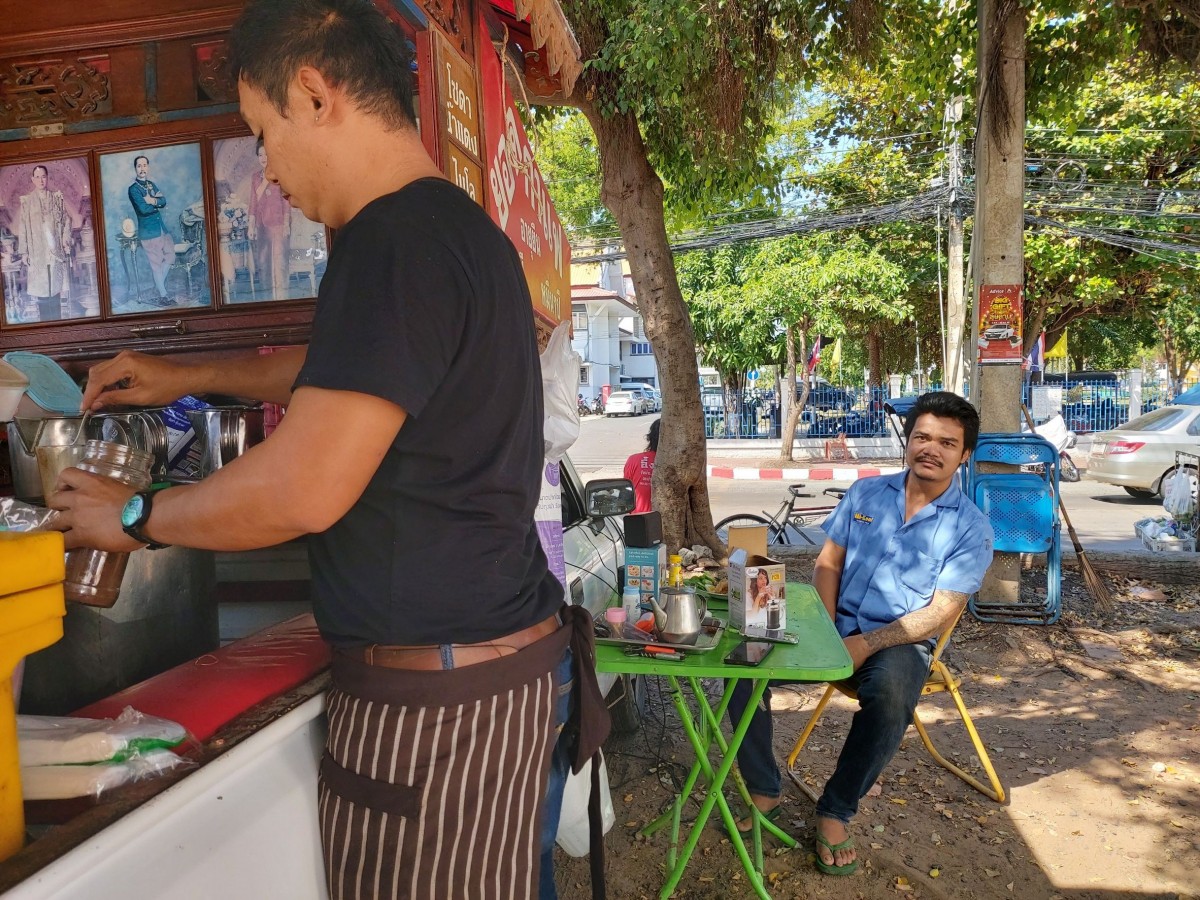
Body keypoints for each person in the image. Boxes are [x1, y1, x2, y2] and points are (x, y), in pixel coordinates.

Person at [50, 3, 607, 898]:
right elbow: (350, 367)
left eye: (262, 135)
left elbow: (304, 488)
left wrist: (133, 516)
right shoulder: (463, 238)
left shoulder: (389, 241)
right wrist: (187, 375)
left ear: (314, 93)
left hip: (443, 715)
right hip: (502, 673)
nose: (265, 171)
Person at [726, 391, 993, 876]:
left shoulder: (971, 529)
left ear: (964, 454)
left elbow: (941, 611)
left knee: (893, 693)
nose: (931, 449)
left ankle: (836, 809)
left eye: (947, 443)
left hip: (900, 640)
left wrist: (864, 645)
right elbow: (828, 563)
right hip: (835, 624)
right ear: (908, 442)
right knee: (741, 664)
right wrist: (829, 632)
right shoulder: (866, 494)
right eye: (922, 437)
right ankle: (764, 791)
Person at [17, 164, 73, 322]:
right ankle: (46, 325)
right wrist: (24, 252)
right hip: (37, 251)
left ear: (47, 178)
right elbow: (23, 228)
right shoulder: (27, 202)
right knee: (42, 288)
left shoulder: (56, 198)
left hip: (55, 250)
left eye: (43, 176)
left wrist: (65, 239)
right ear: (32, 179)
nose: (41, 180)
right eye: (37, 177)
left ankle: (57, 324)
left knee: (54, 287)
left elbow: (66, 221)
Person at [127, 154, 174, 306]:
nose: (142, 168)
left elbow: (164, 201)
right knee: (156, 264)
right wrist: (156, 202)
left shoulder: (152, 185)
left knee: (170, 256)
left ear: (148, 167)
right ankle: (163, 294)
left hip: (161, 228)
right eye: (139, 166)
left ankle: (157, 285)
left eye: (144, 165)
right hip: (148, 232)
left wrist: (152, 200)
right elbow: (143, 209)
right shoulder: (133, 189)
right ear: (135, 169)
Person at [248, 141, 292, 298]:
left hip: (279, 225)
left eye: (266, 154)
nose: (263, 158)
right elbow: (253, 202)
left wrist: (287, 223)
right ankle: (267, 299)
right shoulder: (255, 177)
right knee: (264, 262)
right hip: (262, 226)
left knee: (280, 262)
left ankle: (282, 298)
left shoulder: (279, 174)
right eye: (260, 155)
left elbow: (286, 201)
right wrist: (251, 226)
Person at [623, 418, 659, 514]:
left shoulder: (634, 460)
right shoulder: (680, 465)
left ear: (650, 438)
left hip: (639, 519)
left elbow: (626, 489)